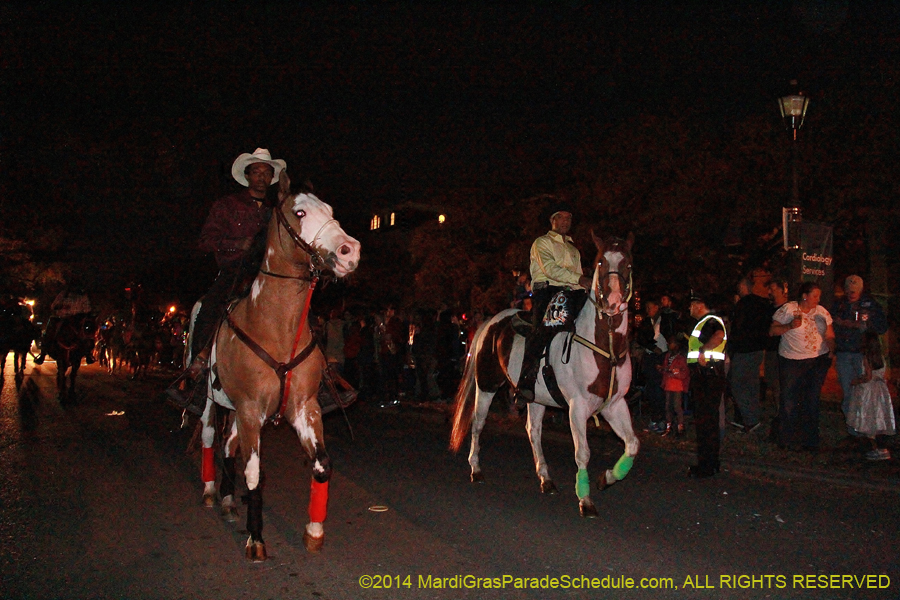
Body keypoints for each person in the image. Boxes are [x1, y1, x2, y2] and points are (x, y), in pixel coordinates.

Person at [167, 148, 285, 407]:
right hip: (236, 271)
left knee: (302, 308)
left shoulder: (277, 210)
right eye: (257, 171)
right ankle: (196, 376)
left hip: (270, 273)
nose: (262, 177)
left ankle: (321, 379)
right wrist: (236, 244)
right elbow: (205, 241)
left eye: (267, 172)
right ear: (247, 175)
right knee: (210, 308)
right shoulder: (226, 205)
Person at [515, 204, 591, 406]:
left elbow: (578, 278)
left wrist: (588, 289)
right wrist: (580, 279)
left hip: (572, 291)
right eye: (561, 217)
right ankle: (525, 382)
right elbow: (550, 269)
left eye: (569, 218)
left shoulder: (574, 248)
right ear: (552, 220)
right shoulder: (542, 243)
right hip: (548, 291)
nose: (566, 222)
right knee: (542, 329)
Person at [769, 281, 835, 452]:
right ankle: (787, 438)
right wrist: (790, 326)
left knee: (811, 399)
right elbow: (772, 330)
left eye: (819, 296)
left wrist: (832, 350)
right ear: (804, 296)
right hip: (792, 360)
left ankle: (810, 439)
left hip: (815, 361)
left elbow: (829, 334)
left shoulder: (821, 312)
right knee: (789, 399)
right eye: (815, 296)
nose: (817, 299)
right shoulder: (789, 309)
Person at [831, 275, 888, 436]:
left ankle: (868, 430)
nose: (851, 293)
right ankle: (853, 431)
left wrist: (862, 324)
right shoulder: (839, 305)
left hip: (862, 354)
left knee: (865, 392)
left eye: (854, 291)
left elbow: (882, 327)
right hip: (844, 353)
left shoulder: (871, 305)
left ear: (861, 289)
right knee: (849, 393)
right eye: (848, 290)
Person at [686, 292, 728, 478]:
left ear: (699, 305)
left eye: (691, 305)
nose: (689, 309)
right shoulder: (704, 323)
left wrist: (703, 351)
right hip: (705, 376)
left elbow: (718, 335)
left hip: (708, 375)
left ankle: (706, 466)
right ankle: (711, 463)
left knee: (706, 422)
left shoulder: (710, 321)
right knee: (707, 421)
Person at [727, 268, 773, 433]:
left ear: (743, 287)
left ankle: (750, 420)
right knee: (751, 385)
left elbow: (737, 329)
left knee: (737, 385)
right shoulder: (762, 304)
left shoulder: (743, 304)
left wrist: (730, 349)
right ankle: (753, 418)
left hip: (743, 350)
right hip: (757, 350)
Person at [846, 330, 895, 460]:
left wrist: (856, 381)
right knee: (878, 418)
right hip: (880, 389)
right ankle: (880, 448)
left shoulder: (867, 357)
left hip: (869, 390)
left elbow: (868, 376)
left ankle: (878, 449)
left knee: (869, 418)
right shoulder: (881, 357)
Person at [636, 299, 676, 433]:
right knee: (652, 389)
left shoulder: (665, 320)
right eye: (646, 307)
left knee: (660, 388)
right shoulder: (646, 322)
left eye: (650, 307)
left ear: (657, 307)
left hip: (662, 357)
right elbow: (641, 338)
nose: (648, 310)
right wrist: (652, 347)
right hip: (651, 357)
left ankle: (663, 419)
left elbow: (672, 336)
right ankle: (655, 418)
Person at [34, 284, 95, 365]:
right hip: (62, 318)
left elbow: (88, 309)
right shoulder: (63, 294)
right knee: (50, 327)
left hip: (76, 319)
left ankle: (88, 354)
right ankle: (43, 353)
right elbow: (53, 306)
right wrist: (60, 307)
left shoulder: (83, 296)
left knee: (87, 332)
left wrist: (81, 314)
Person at [660, 333, 689, 437]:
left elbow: (684, 372)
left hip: (677, 385)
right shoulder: (668, 356)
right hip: (668, 384)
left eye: (671, 343)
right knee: (668, 406)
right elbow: (666, 369)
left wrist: (674, 372)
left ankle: (680, 428)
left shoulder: (680, 358)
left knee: (677, 406)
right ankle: (669, 427)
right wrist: (663, 370)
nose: (668, 345)